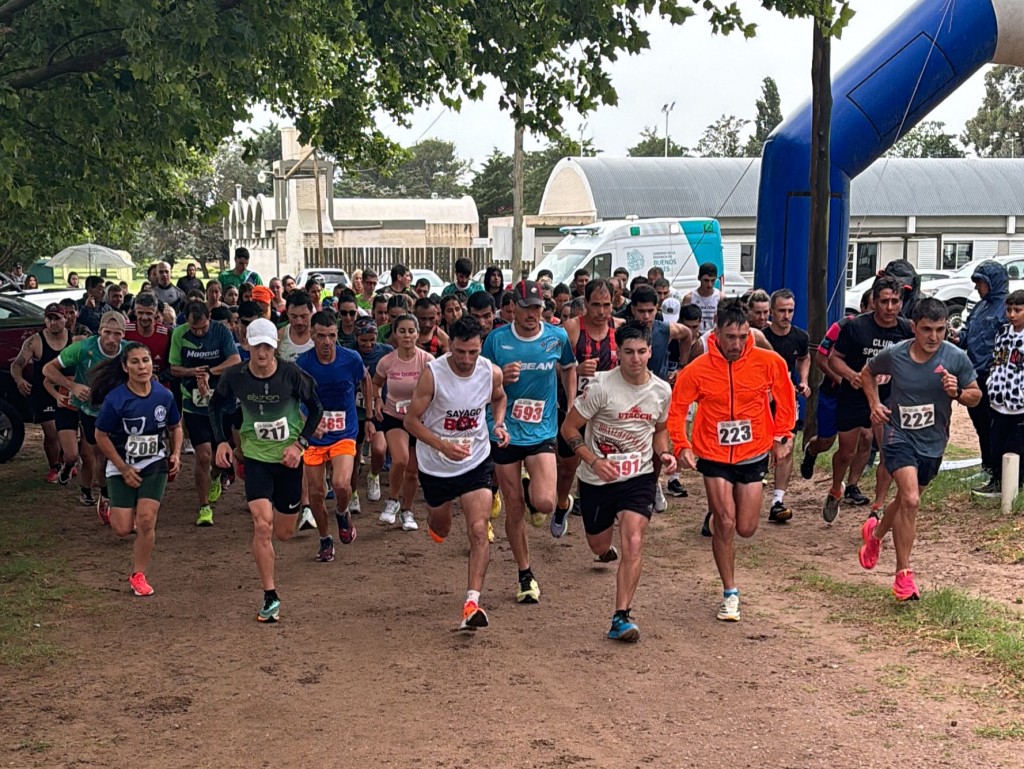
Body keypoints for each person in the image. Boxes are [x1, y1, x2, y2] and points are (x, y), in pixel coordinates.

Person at [668, 299, 795, 621]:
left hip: (752, 453)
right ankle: (730, 592)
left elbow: (785, 398)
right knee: (726, 523)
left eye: (742, 337)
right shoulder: (697, 369)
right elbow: (678, 408)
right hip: (712, 453)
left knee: (747, 527)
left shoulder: (769, 362)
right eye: (730, 337)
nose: (736, 344)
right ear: (717, 333)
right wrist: (682, 445)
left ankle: (717, 519)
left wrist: (782, 437)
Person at [858, 298, 980, 601]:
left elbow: (977, 395)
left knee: (905, 501)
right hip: (898, 435)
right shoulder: (896, 355)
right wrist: (875, 404)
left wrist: (959, 392)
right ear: (914, 327)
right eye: (927, 329)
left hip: (933, 442)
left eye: (940, 329)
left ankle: (874, 535)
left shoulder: (955, 358)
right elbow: (867, 373)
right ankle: (903, 575)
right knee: (910, 499)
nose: (933, 337)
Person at [560, 322, 674, 642]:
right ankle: (599, 541)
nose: (635, 359)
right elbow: (569, 430)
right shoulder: (600, 388)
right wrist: (594, 461)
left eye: (641, 352)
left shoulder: (661, 390)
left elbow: (660, 430)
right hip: (597, 478)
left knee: (634, 541)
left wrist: (663, 454)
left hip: (637, 476)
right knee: (599, 544)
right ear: (618, 353)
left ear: (650, 351)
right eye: (628, 352)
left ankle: (621, 617)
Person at [211, 318, 323, 623]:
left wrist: (299, 446)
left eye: (268, 346)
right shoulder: (235, 376)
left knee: (283, 533)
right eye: (256, 345)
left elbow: (316, 409)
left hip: (287, 460)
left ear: (275, 347)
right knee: (262, 525)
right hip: (255, 458)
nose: (262, 352)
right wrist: (221, 442)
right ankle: (270, 595)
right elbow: (215, 406)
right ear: (246, 344)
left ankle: (287, 524)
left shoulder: (291, 374)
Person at [404, 317, 510, 630]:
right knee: (442, 528)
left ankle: (472, 603)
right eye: (460, 351)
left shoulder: (490, 372)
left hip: (475, 460)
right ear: (450, 345)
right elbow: (411, 421)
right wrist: (442, 446)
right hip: (436, 466)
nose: (466, 359)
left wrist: (499, 423)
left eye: (473, 352)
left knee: (479, 529)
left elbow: (500, 397)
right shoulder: (433, 374)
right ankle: (435, 519)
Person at [482, 280, 577, 604]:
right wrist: (500, 377)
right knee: (514, 509)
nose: (533, 314)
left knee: (546, 503)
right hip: (505, 431)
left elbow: (569, 368)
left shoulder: (557, 336)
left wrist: (573, 403)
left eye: (538, 308)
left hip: (541, 430)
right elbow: (481, 377)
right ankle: (525, 575)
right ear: (514, 308)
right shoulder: (497, 339)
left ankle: (530, 488)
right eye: (526, 308)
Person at [91, 343, 182, 597]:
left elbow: (176, 427)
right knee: (121, 528)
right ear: (125, 367)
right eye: (135, 362)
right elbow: (101, 435)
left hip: (154, 463)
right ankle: (109, 499)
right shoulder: (116, 399)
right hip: (121, 464)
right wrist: (122, 467)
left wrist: (175, 453)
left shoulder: (163, 396)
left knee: (145, 520)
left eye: (145, 360)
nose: (142, 366)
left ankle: (138, 574)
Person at [823, 275, 914, 523]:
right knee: (846, 452)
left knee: (888, 452)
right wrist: (852, 375)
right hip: (854, 396)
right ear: (874, 301)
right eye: (884, 301)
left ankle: (877, 506)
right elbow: (833, 359)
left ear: (901, 304)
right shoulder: (856, 327)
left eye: (895, 302)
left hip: (887, 398)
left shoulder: (906, 329)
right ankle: (835, 489)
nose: (889, 307)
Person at [297, 311, 371, 562]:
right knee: (316, 494)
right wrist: (308, 423)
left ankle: (341, 512)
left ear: (336, 335)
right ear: (311, 336)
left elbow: (365, 380)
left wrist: (369, 417)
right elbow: (294, 399)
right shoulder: (303, 363)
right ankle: (325, 538)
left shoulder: (351, 359)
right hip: (315, 437)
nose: (326, 342)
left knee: (341, 483)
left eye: (331, 336)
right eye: (320, 336)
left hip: (344, 432)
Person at [551, 279, 622, 537]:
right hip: (574, 408)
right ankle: (561, 505)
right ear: (585, 304)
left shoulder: (619, 329)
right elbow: (552, 365)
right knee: (568, 466)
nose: (601, 312)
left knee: (605, 460)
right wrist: (576, 369)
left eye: (606, 305)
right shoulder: (570, 329)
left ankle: (600, 511)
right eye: (595, 305)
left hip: (607, 410)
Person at [43, 311, 128, 516]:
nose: (111, 339)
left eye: (117, 334)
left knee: (119, 454)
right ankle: (104, 494)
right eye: (107, 332)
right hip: (90, 411)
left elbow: (146, 372)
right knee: (99, 455)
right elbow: (48, 369)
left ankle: (114, 495)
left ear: (124, 334)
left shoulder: (129, 351)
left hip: (119, 412)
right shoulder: (83, 348)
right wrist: (72, 386)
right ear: (99, 331)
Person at [169, 300, 241, 526]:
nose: (198, 332)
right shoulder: (179, 335)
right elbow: (174, 368)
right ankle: (204, 507)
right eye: (194, 328)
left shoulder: (221, 331)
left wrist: (210, 372)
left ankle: (216, 476)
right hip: (194, 404)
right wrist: (194, 373)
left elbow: (235, 360)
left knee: (224, 456)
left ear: (209, 318)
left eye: (202, 328)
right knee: (203, 456)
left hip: (222, 403)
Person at [801, 290, 874, 497]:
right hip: (834, 394)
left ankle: (852, 486)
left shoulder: (885, 333)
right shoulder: (840, 327)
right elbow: (822, 359)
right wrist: (844, 380)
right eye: (872, 309)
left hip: (862, 396)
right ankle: (811, 451)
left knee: (866, 437)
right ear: (862, 307)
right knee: (827, 441)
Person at [952, 261, 1009, 494]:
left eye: (980, 282)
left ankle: (998, 472)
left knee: (995, 426)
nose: (977, 287)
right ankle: (987, 465)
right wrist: (958, 338)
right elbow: (969, 332)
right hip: (974, 373)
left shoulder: (1007, 308)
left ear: (992, 282)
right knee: (981, 424)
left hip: (994, 376)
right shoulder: (981, 307)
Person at [372, 314, 433, 532]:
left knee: (413, 472)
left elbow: (437, 389)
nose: (407, 335)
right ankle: (392, 501)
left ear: (418, 334)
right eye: (402, 331)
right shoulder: (387, 361)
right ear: (395, 334)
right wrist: (377, 399)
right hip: (394, 417)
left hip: (419, 419)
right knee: (400, 459)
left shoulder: (427, 361)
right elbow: (376, 383)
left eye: (411, 331)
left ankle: (407, 511)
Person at [761, 289, 811, 523]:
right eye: (782, 311)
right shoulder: (761, 337)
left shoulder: (800, 337)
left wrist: (803, 381)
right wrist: (766, 390)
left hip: (786, 402)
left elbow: (804, 357)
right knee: (759, 450)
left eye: (790, 310)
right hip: (759, 403)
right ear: (772, 311)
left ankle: (778, 501)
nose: (787, 315)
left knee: (787, 446)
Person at [11, 303, 72, 480]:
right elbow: (17, 364)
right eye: (49, 319)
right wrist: (19, 380)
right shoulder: (35, 341)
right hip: (43, 392)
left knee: (67, 431)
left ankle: (66, 461)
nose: (52, 323)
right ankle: (54, 467)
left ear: (64, 319)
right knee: (51, 432)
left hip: (67, 390)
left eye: (57, 319)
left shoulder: (74, 339)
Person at [975, 289, 1024, 497]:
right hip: (998, 400)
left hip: (1019, 403)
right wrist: (992, 383)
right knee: (997, 443)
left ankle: (1015, 484)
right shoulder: (1002, 333)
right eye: (1009, 309)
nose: (1012, 314)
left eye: (1018, 310)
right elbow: (997, 360)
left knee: (1017, 446)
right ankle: (996, 480)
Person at [124, 292, 172, 382]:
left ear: (156, 313)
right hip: (130, 385)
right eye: (140, 313)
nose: (144, 317)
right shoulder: (125, 331)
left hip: (159, 386)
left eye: (149, 313)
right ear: (134, 312)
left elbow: (173, 366)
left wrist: (159, 378)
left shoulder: (167, 333)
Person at [682, 262, 723, 334]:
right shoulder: (689, 298)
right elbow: (683, 321)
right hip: (694, 335)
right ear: (699, 278)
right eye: (706, 280)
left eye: (713, 280)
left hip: (713, 336)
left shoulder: (720, 297)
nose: (709, 285)